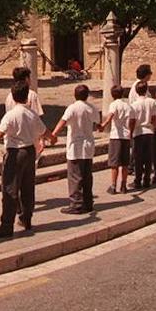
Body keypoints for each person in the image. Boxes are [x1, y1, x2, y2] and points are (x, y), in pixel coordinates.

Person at [0, 81, 50, 238]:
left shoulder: (11, 115)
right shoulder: (32, 114)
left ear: (13, 96)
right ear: (27, 97)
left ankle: (6, 225)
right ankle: (27, 219)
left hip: (14, 153)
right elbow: (45, 131)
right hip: (29, 152)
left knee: (10, 189)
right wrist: (51, 138)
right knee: (27, 187)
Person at [49, 83, 100, 214]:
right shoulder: (92, 108)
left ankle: (76, 203)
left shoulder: (72, 108)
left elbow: (62, 122)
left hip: (75, 146)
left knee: (75, 176)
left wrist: (53, 135)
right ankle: (88, 202)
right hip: (88, 145)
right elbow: (97, 123)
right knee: (87, 175)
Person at [101, 85, 133, 193]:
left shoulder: (114, 105)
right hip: (126, 136)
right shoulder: (127, 105)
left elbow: (110, 116)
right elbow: (131, 120)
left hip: (116, 136)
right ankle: (123, 185)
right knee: (124, 163)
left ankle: (114, 185)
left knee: (114, 163)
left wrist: (103, 124)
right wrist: (131, 132)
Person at [129, 80, 155, 189]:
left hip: (138, 132)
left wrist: (130, 132)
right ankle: (147, 179)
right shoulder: (152, 102)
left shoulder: (134, 105)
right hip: (149, 131)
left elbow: (132, 121)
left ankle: (138, 180)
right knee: (148, 158)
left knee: (138, 158)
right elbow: (154, 118)